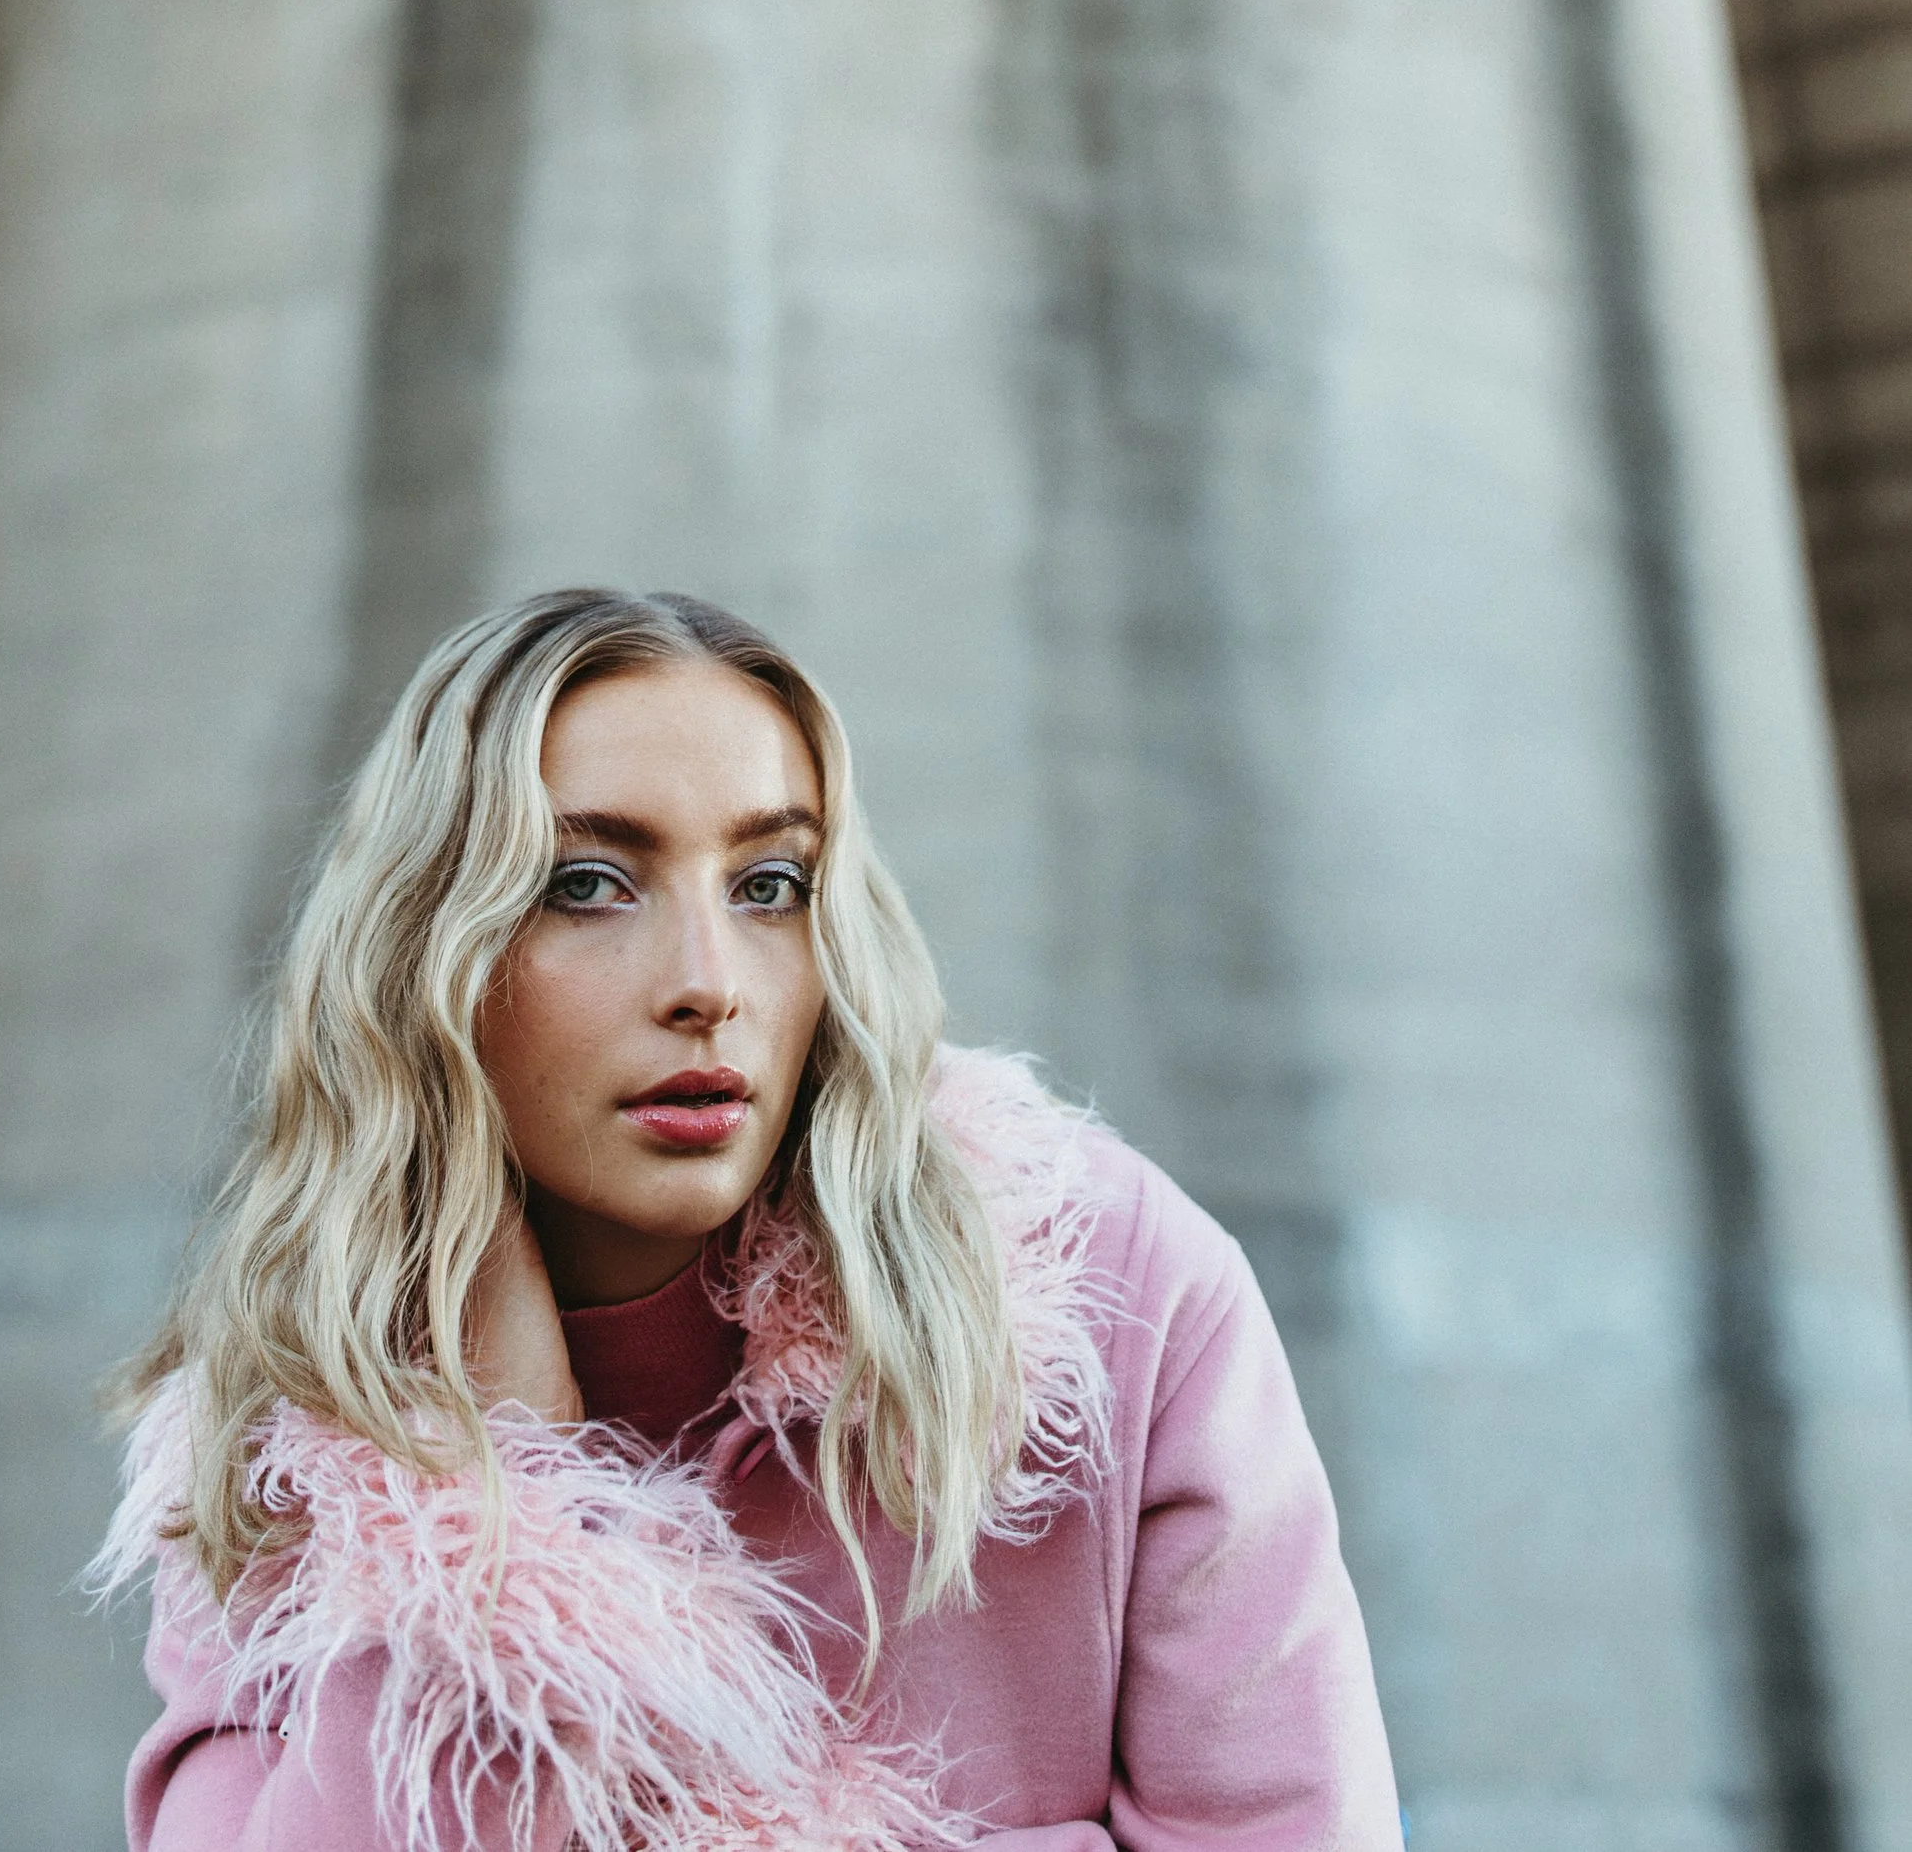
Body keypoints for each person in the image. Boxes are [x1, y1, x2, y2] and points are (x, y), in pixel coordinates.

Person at [100, 587, 1403, 1851]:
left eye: (771, 883)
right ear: (426, 950)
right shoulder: (281, 1447)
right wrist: (482, 1523)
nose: (708, 984)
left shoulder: (1112, 1297)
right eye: (589, 882)